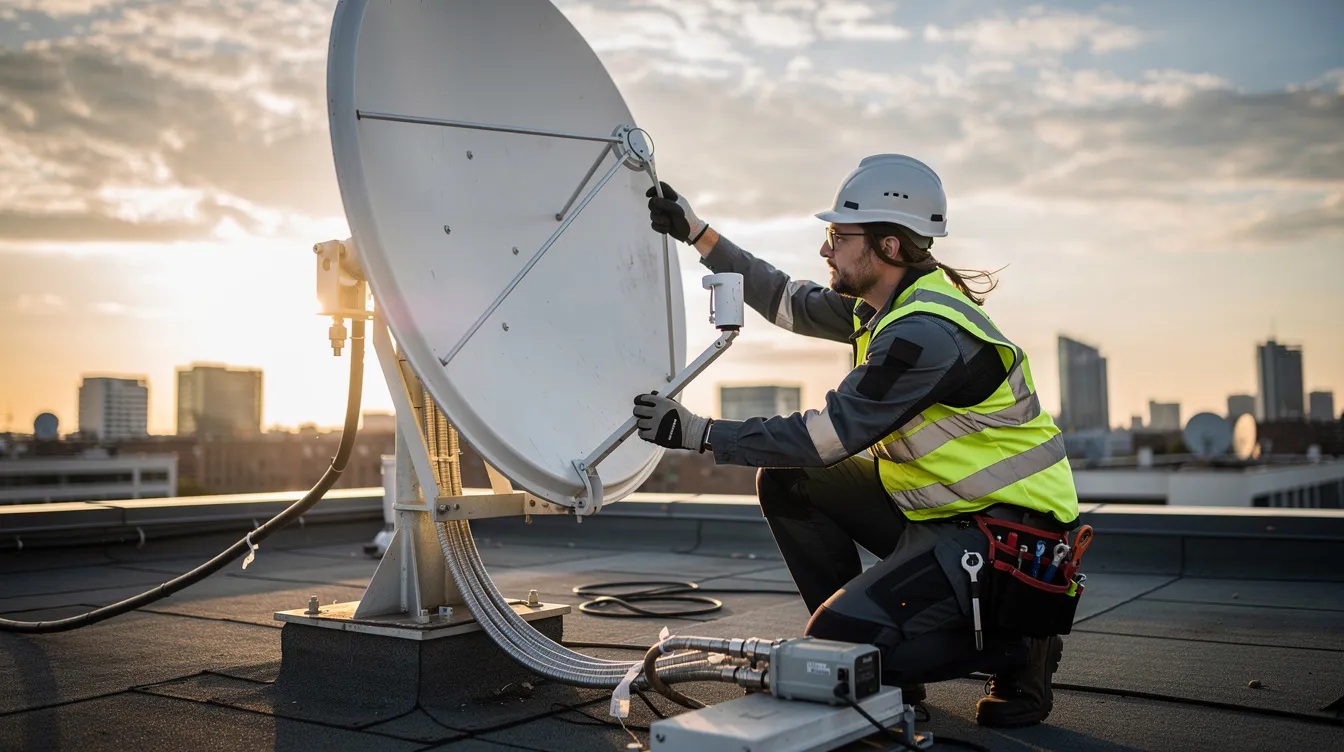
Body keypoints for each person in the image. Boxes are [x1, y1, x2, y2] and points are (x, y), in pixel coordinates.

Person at [631, 155, 1080, 728]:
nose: (826, 250)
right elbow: (784, 299)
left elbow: (827, 436)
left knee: (835, 645)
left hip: (1005, 541)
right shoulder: (888, 305)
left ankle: (1021, 646)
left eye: (838, 237)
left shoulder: (925, 335)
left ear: (889, 247)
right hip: (943, 514)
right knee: (792, 482)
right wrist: (697, 232)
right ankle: (888, 659)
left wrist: (697, 434)